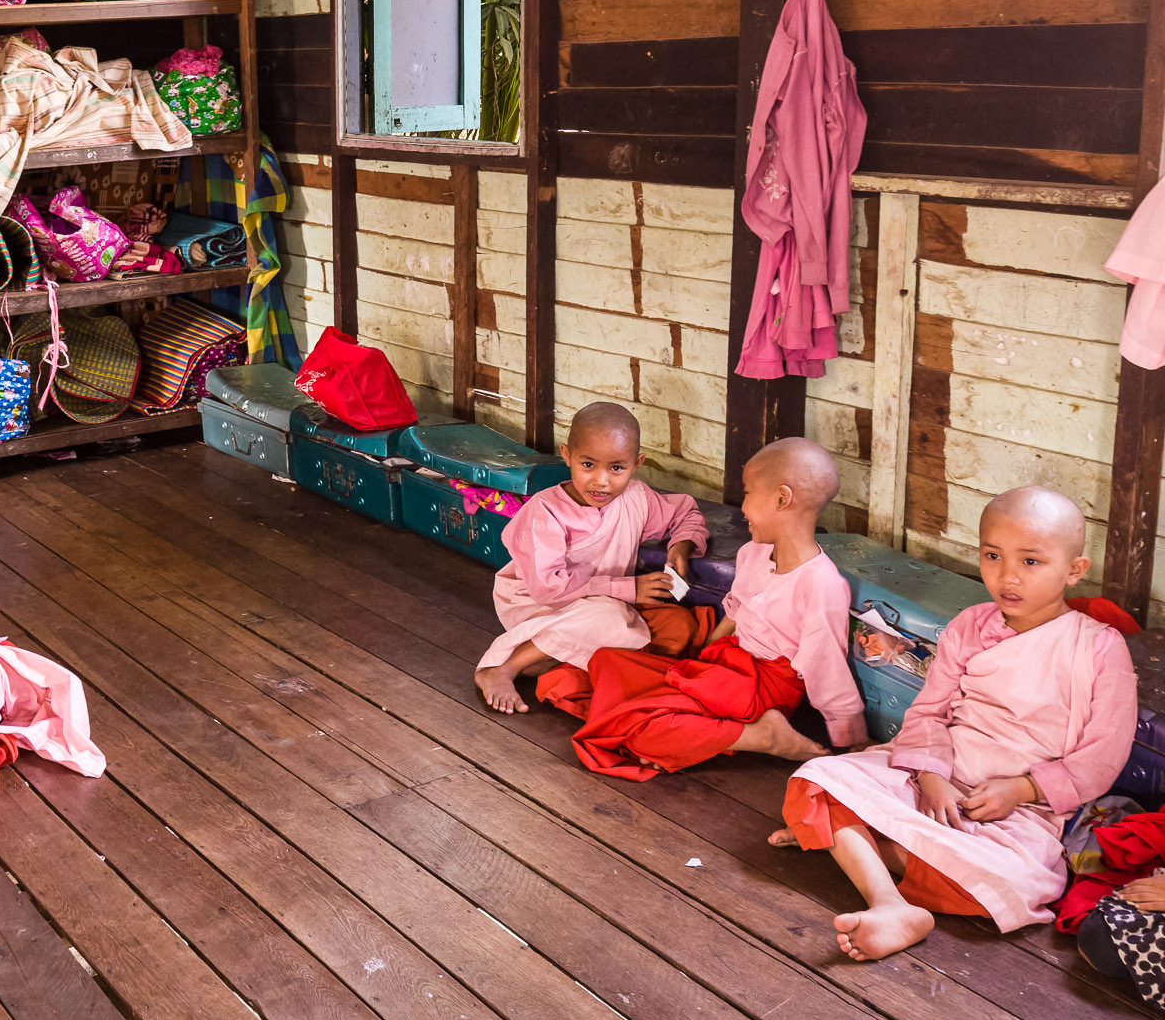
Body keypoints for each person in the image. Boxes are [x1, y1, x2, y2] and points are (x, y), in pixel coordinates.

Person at [771, 487, 1137, 961]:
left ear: (1074, 570)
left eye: (1031, 562)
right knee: (820, 779)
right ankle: (889, 903)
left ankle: (851, 841)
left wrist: (1022, 790)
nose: (1007, 576)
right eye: (992, 555)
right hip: (934, 775)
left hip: (1020, 805)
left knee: (1018, 883)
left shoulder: (1099, 648)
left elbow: (1101, 757)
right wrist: (930, 777)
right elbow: (929, 712)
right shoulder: (971, 625)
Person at [569, 437, 867, 779]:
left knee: (638, 727)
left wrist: (851, 737)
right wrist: (699, 660)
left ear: (782, 498)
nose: (743, 508)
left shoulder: (821, 583)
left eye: (748, 493)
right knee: (607, 661)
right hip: (729, 666)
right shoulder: (752, 553)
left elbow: (826, 665)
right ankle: (689, 733)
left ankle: (764, 736)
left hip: (765, 689)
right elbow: (736, 610)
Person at [475, 402, 709, 715]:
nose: (601, 481)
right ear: (567, 455)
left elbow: (686, 513)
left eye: (616, 468)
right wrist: (629, 589)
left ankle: (555, 656)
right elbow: (547, 589)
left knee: (679, 622)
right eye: (588, 465)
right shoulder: (545, 511)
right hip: (538, 603)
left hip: (602, 601)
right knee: (610, 618)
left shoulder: (636, 498)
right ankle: (505, 667)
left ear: (636, 463)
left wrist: (681, 546)